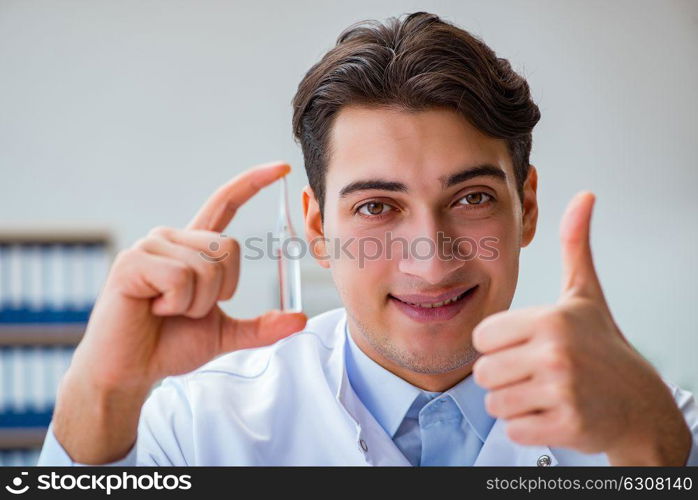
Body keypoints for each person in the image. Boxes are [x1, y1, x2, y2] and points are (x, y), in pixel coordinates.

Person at [38, 12, 697, 466]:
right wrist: (104, 391)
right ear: (318, 230)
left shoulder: (657, 422)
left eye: (470, 199)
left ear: (525, 208)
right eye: (378, 206)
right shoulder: (198, 427)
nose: (430, 259)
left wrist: (653, 454)